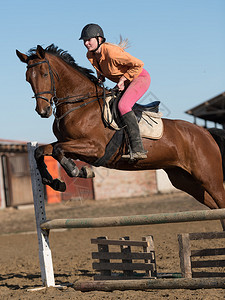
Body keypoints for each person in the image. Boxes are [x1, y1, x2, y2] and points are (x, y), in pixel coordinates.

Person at [79, 23, 151, 160]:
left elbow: (139, 64)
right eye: (84, 41)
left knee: (123, 106)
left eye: (89, 40)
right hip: (126, 82)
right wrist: (100, 78)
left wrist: (123, 79)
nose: (86, 43)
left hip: (140, 77)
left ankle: (138, 148)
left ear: (99, 39)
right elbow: (102, 70)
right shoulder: (90, 55)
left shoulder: (112, 52)